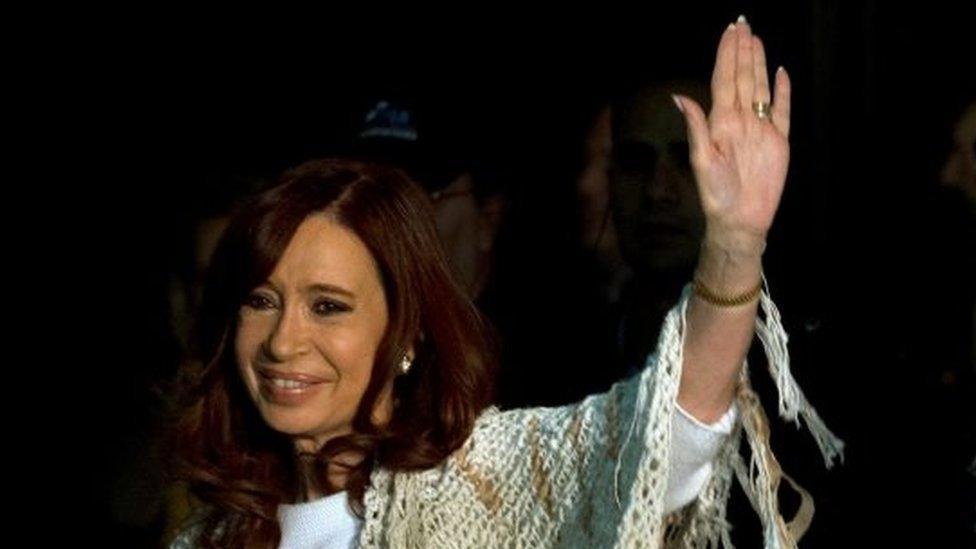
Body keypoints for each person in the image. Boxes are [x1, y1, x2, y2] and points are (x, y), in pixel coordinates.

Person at [166, 18, 841, 548]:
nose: (285, 340)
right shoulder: (209, 535)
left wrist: (733, 243)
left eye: (328, 306)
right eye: (260, 299)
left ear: (407, 335)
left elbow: (671, 430)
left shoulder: (490, 483)